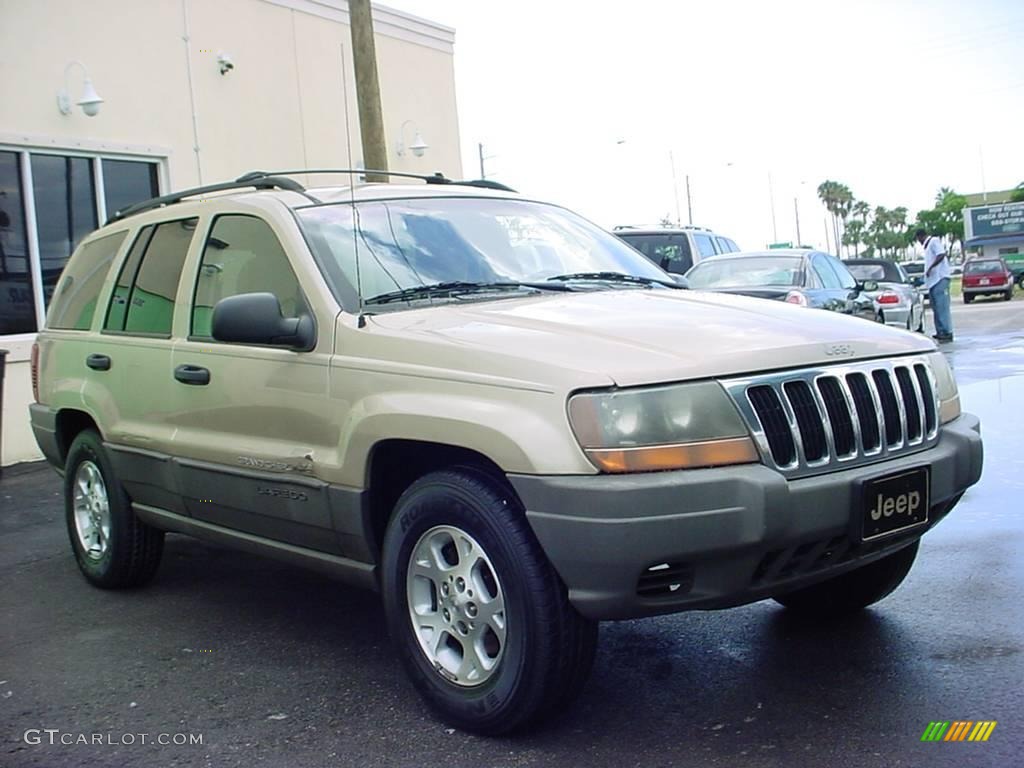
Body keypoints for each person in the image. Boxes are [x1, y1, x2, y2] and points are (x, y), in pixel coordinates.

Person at [915, 228, 952, 343]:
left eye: (918, 239)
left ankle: (946, 332)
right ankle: (940, 331)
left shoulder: (934, 241)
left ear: (921, 237)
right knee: (936, 307)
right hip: (933, 282)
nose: (919, 242)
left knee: (942, 307)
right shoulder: (928, 247)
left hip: (940, 279)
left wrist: (931, 267)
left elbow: (941, 255)